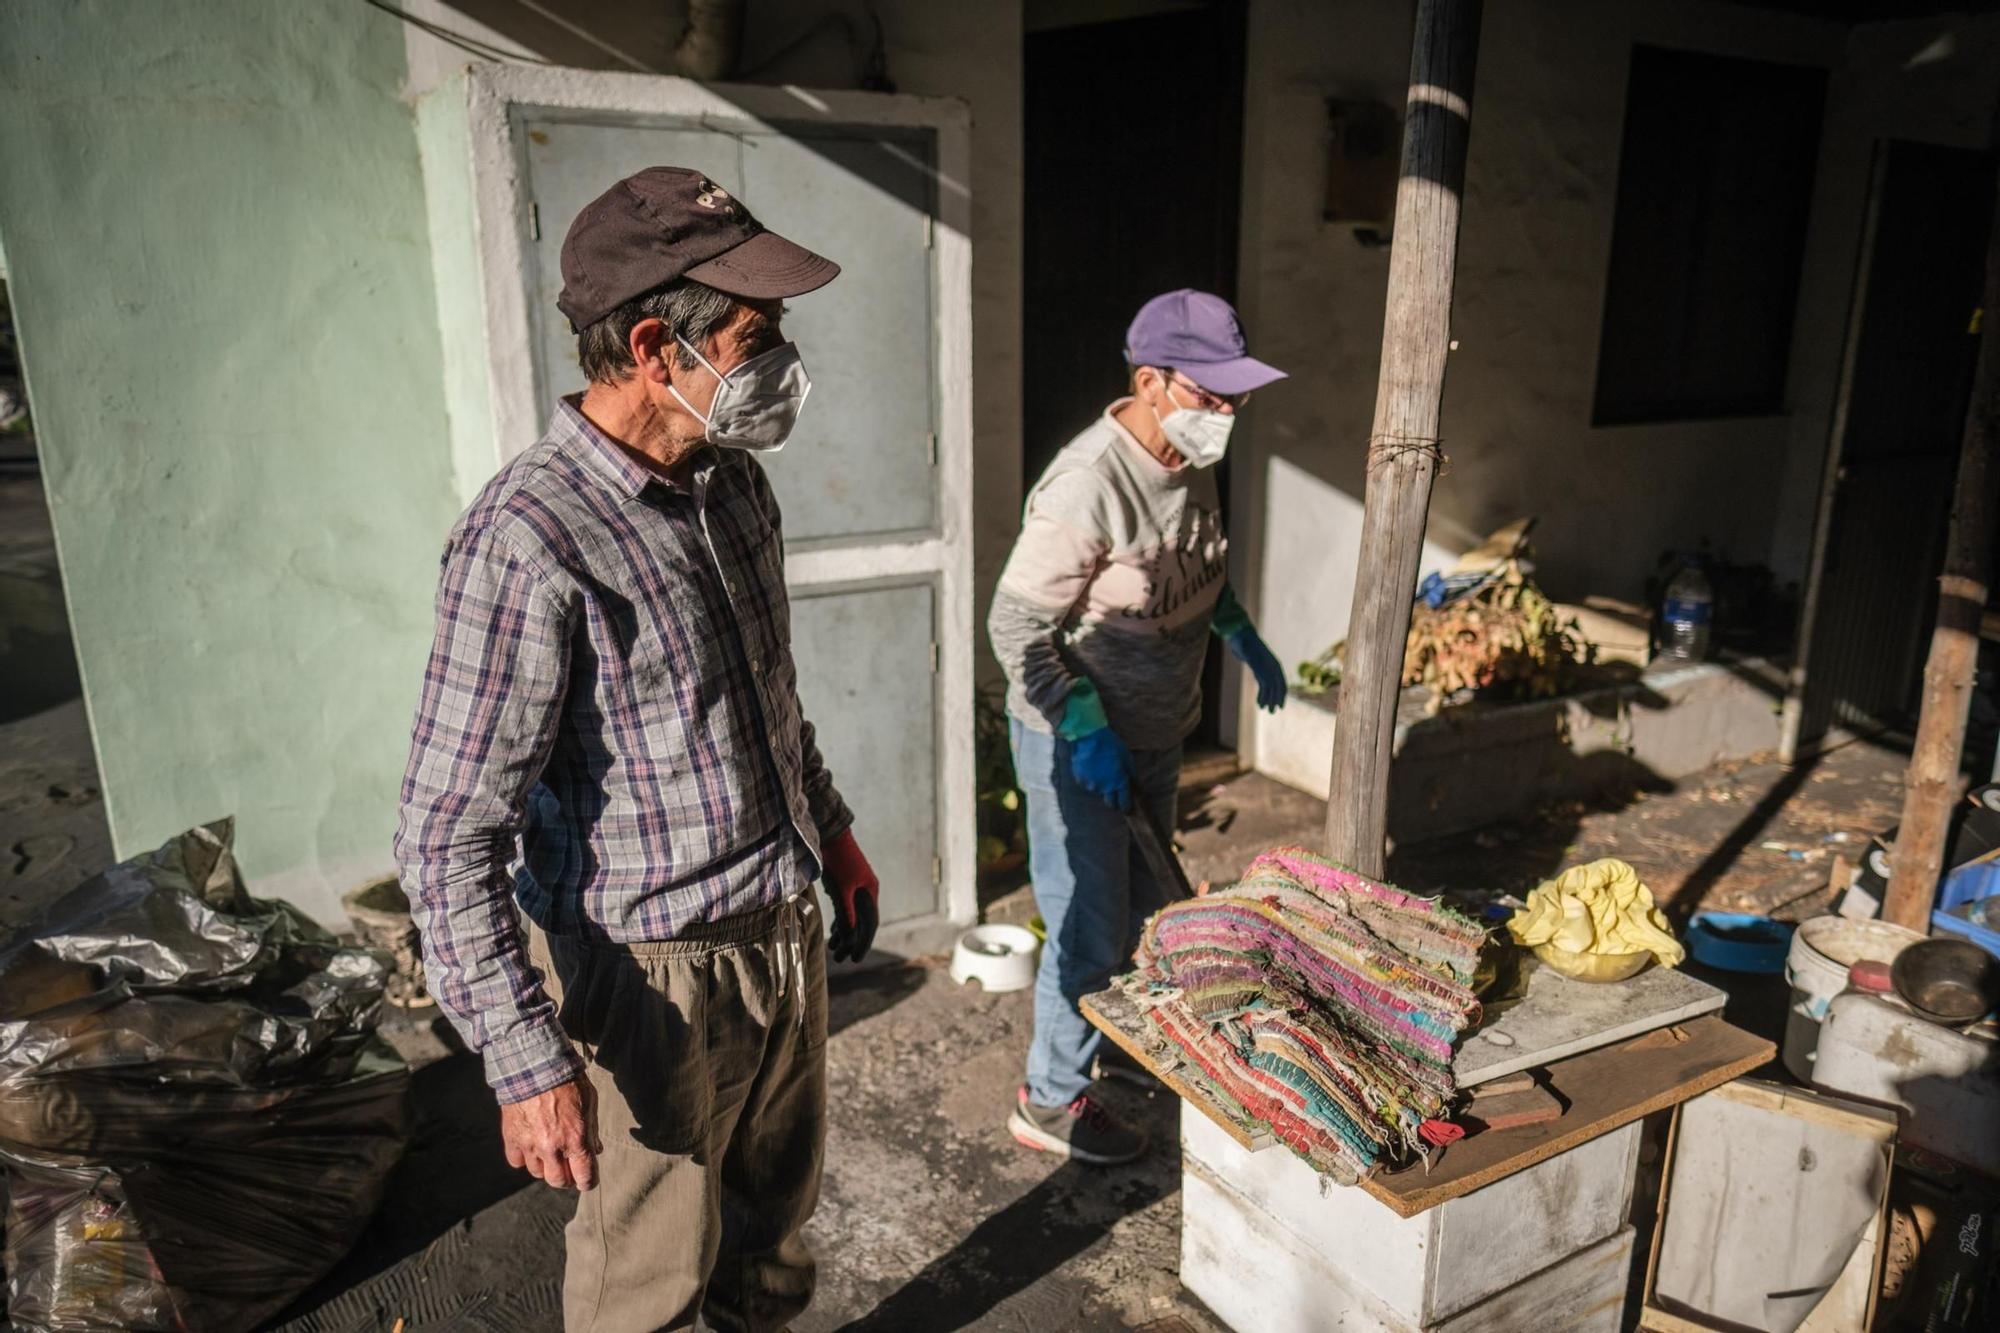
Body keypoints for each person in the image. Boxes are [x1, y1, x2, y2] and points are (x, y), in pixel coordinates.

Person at [395, 166, 881, 1332]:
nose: (782, 360)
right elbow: (447, 830)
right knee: (646, 1282)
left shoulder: (731, 486)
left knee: (769, 1240)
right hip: (649, 974)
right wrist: (521, 1057)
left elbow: (762, 695)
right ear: (660, 344)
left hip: (781, 929)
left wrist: (832, 825)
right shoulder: (529, 539)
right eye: (758, 335)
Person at [987, 289, 1290, 1164]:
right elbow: (1015, 630)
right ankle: (1049, 1098)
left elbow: (1195, 568)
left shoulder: (1190, 459)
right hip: (1076, 739)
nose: (1229, 412)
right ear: (1152, 381)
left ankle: (1122, 1054)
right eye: (1212, 393)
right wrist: (1083, 726)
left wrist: (1241, 635)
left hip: (1158, 728)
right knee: (1087, 923)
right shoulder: (1090, 483)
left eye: (1238, 393)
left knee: (1154, 910)